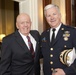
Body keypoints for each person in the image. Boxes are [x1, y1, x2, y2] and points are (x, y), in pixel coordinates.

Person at [40, 4, 76, 75]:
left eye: (54, 14)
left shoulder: (72, 32)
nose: (52, 17)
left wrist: (66, 71)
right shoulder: (44, 35)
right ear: (46, 18)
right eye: (48, 16)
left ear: (59, 15)